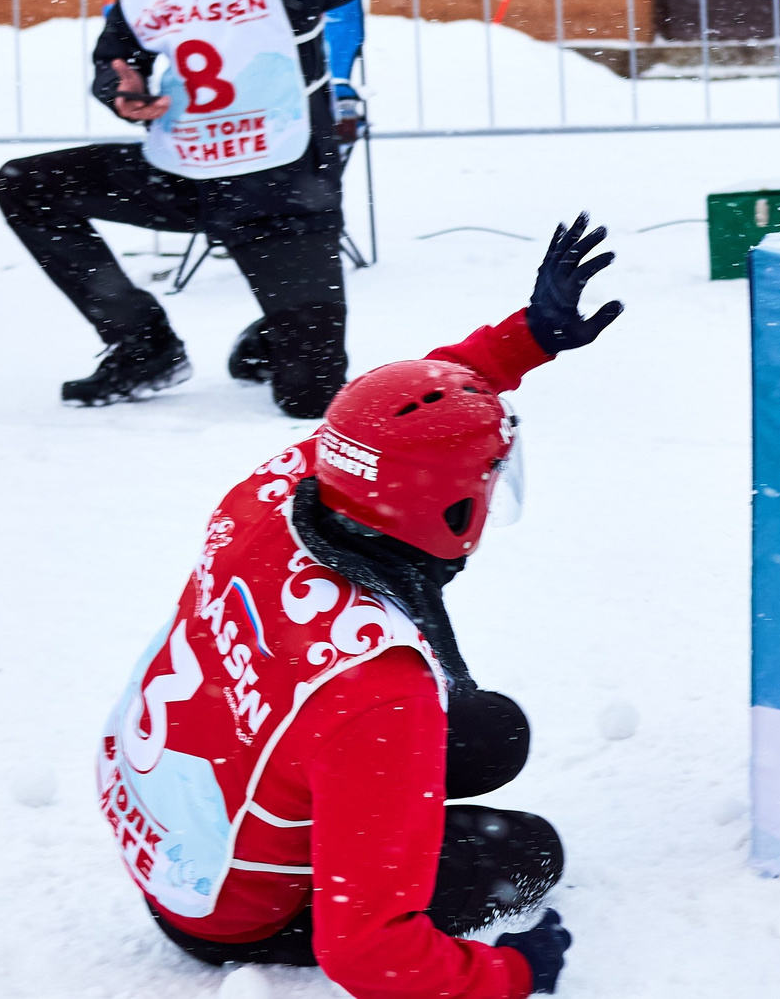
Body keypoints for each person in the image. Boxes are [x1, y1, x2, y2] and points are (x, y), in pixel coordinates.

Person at [101, 215, 622, 994]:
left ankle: (319, 813)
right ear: (449, 512)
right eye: (485, 480)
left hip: (180, 803)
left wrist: (524, 339)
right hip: (231, 906)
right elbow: (369, 952)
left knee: (491, 730)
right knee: (529, 853)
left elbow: (385, 424)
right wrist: (513, 971)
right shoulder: (378, 688)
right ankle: (291, 880)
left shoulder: (279, 494)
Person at [0, 0, 461, 415]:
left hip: (282, 195)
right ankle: (143, 346)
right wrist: (120, 88)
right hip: (183, 175)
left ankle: (274, 337)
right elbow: (117, 54)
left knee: (311, 398)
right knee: (26, 185)